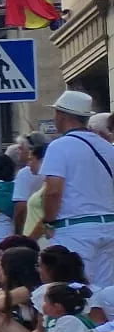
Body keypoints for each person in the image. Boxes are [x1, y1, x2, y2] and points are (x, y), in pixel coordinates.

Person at [37, 91, 114, 289]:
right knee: (104, 291)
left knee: (71, 289)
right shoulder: (107, 147)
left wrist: (48, 221)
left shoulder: (59, 146)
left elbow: (53, 191)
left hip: (75, 228)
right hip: (109, 224)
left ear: (62, 115)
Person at [11, 135, 46, 234]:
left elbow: (20, 207)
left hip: (34, 231)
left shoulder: (25, 173)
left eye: (20, 148)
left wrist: (18, 234)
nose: (17, 151)